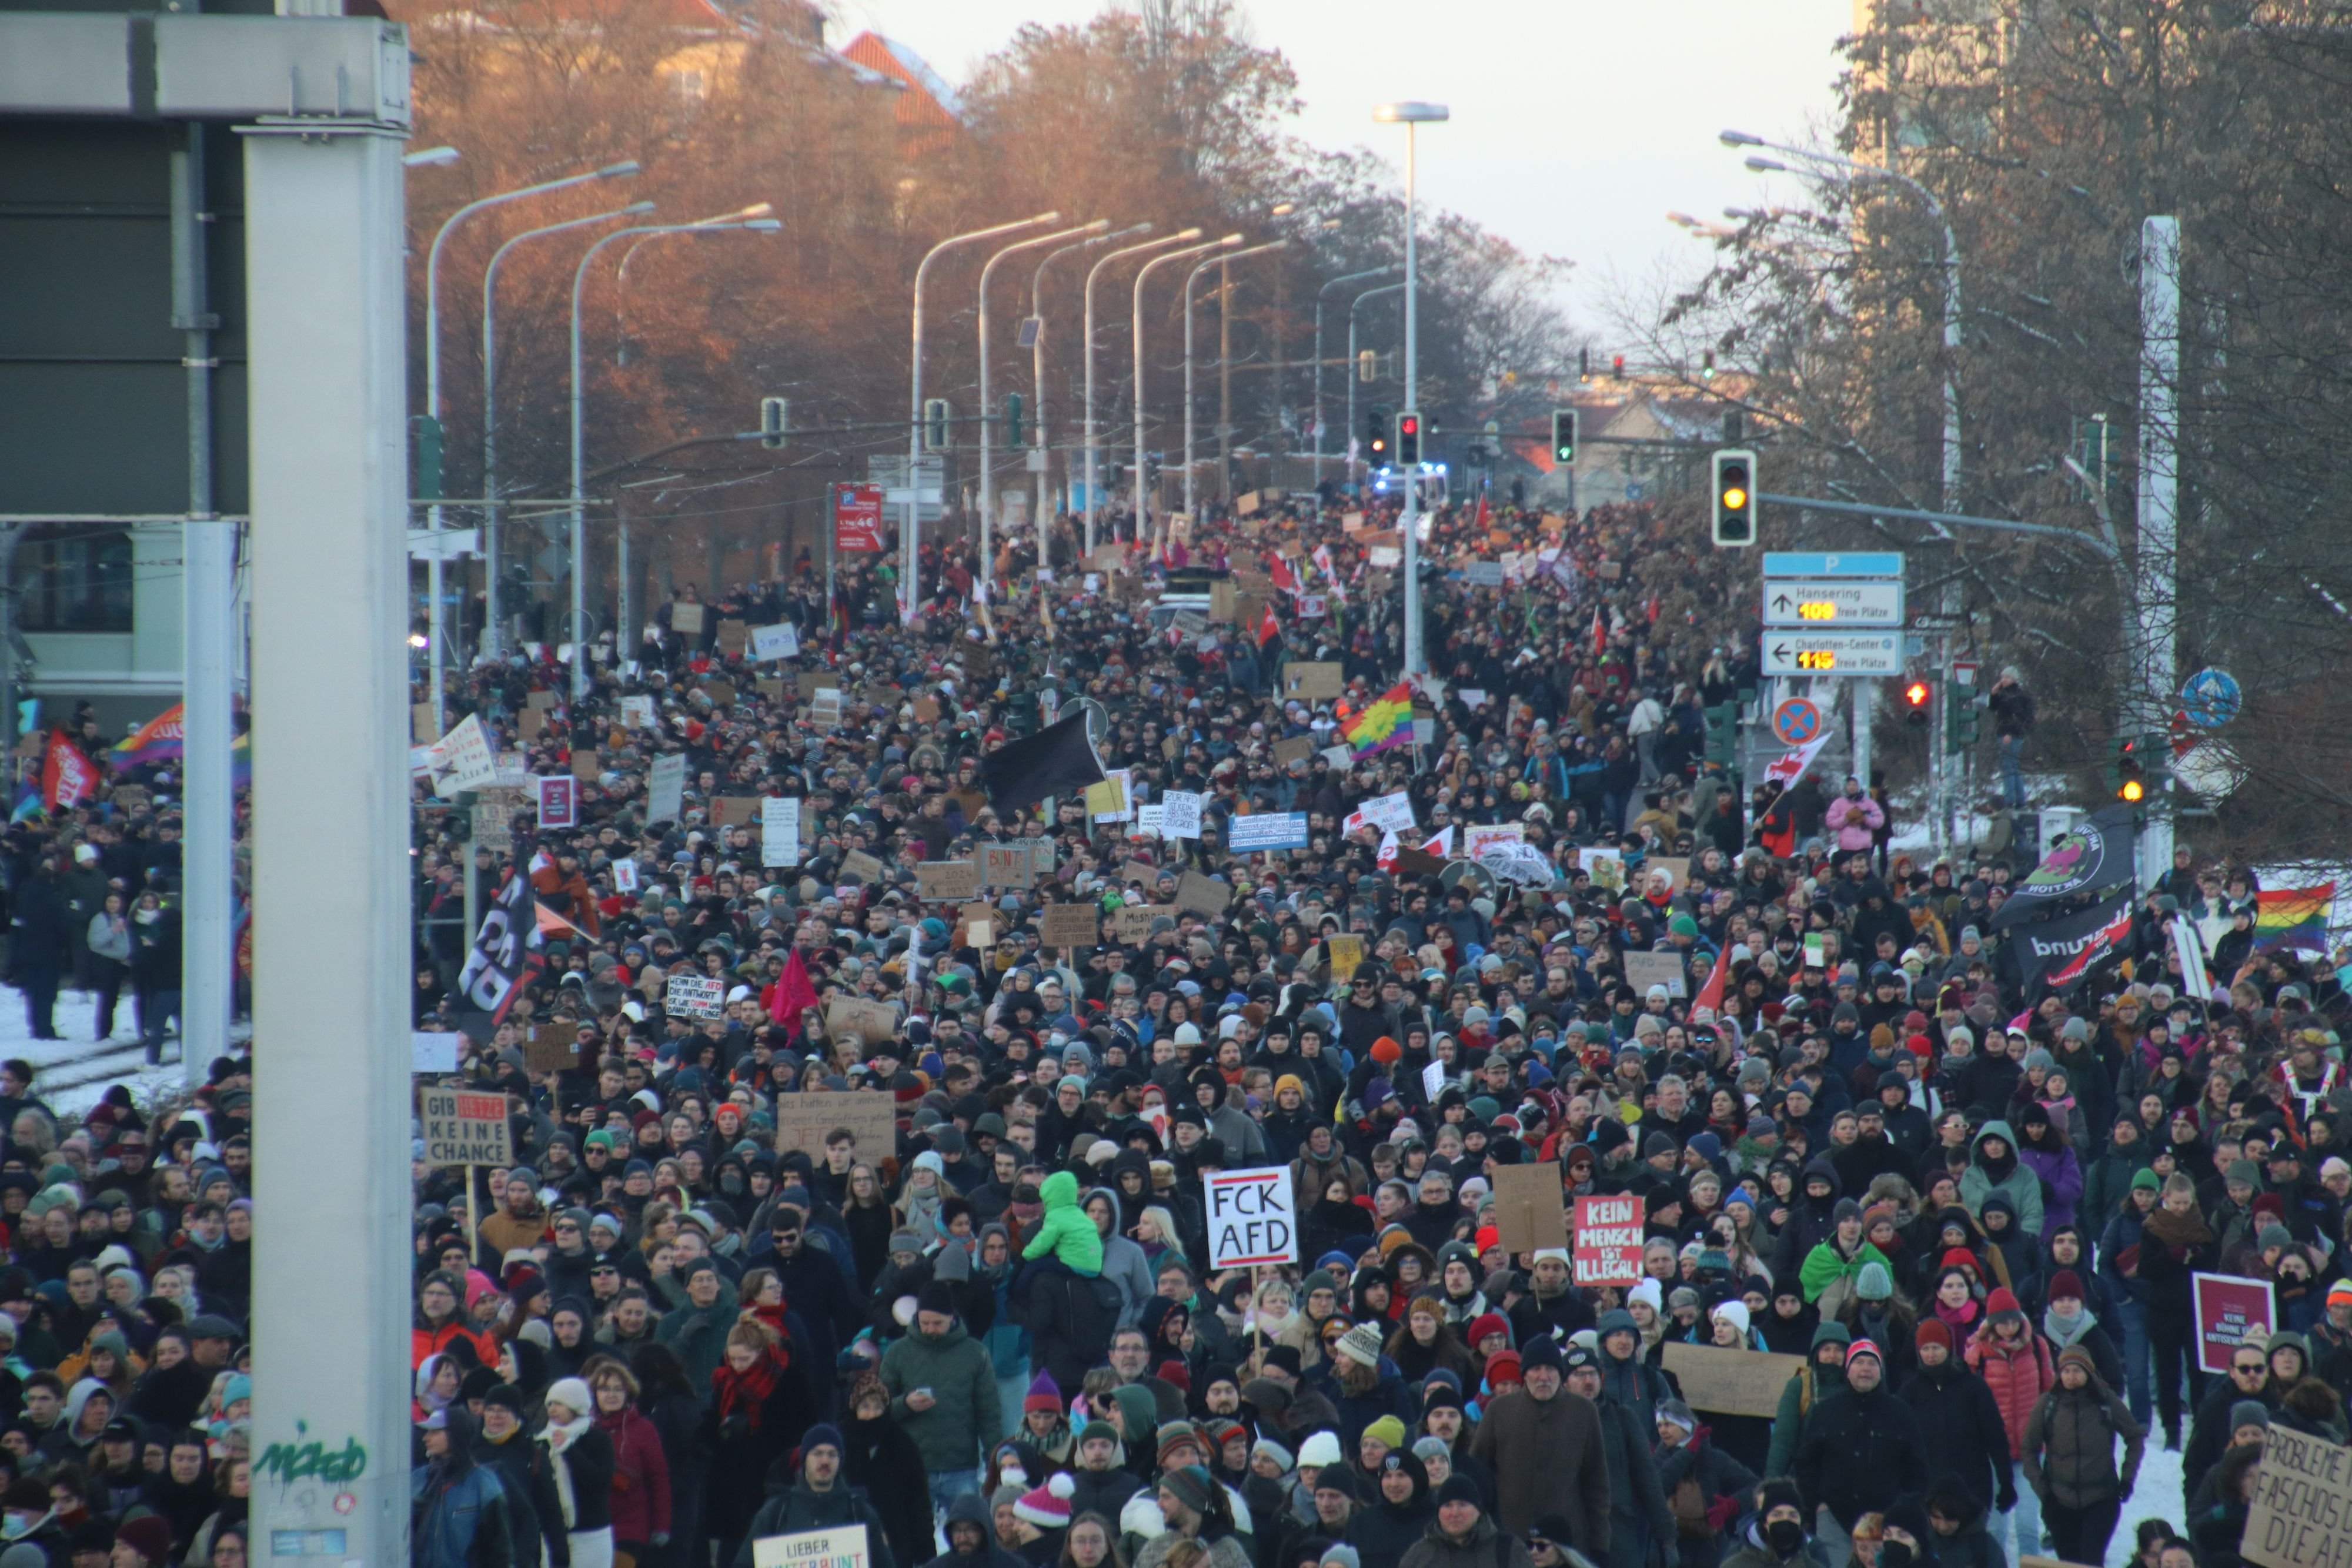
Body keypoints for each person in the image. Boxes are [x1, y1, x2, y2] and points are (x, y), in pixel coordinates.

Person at [1467, 1336, 1611, 1554]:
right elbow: (1477, 1474)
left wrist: (1600, 1544)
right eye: (1536, 1369)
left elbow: (1596, 1483)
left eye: (1551, 1369)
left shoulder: (1583, 1412)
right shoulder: (1499, 1411)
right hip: (1510, 1540)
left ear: (1560, 1375)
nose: (1544, 1377)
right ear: (1524, 1374)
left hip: (1567, 1544)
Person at [883, 1282, 1001, 1526]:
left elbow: (988, 1412)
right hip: (913, 1466)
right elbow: (878, 1409)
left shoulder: (974, 1353)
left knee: (971, 1535)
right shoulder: (898, 1352)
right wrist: (905, 1404)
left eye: (937, 1323)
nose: (930, 1329)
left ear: (951, 1318)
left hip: (961, 1468)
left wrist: (995, 1460)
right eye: (925, 1323)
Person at [2017, 1346, 2143, 1566]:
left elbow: (2135, 1437)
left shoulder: (2105, 1401)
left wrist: (2127, 1478)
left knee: (2091, 1561)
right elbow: (2029, 1448)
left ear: (2089, 1373)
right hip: (2058, 1500)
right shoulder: (2048, 1404)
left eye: (2077, 1371)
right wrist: (2042, 1489)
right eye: (2066, 1371)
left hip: (2101, 1498)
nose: (2071, 1377)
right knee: (2068, 1562)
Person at [733, 1422, 900, 1568]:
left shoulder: (860, 1511)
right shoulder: (777, 1512)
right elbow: (744, 1563)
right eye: (818, 1454)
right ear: (804, 1459)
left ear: (840, 1461)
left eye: (832, 1454)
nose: (825, 1461)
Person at [413, 1407, 515, 1568]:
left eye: (435, 1432)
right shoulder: (418, 1479)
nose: (426, 1438)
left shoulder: (483, 1483)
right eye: (427, 1432)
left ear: (455, 1434)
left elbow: (499, 1549)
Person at [1396, 1476, 1535, 1568]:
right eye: (1448, 1506)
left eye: (1463, 1505)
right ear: (1438, 1512)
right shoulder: (1419, 1555)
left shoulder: (1509, 1549)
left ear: (1478, 1510)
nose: (1455, 1513)